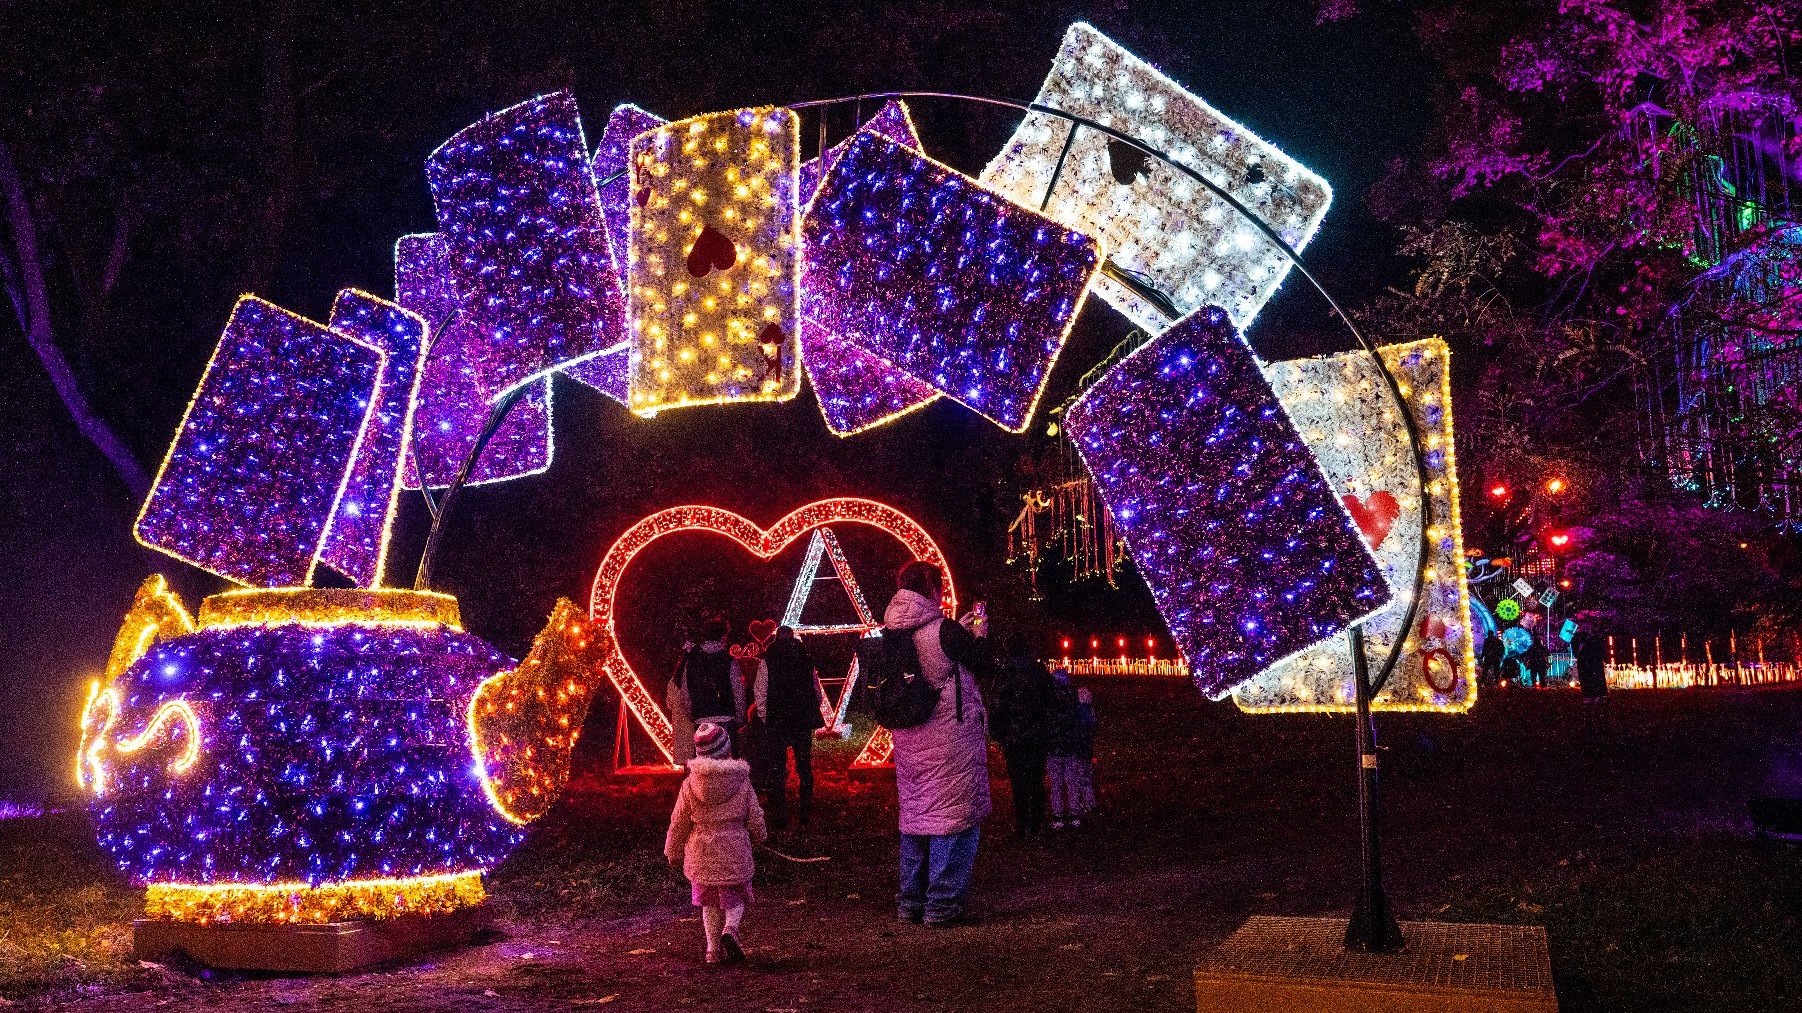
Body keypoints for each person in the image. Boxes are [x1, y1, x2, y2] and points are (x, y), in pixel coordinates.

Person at [885, 561, 991, 927]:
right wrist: (976, 635)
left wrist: (957, 633)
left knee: (916, 818)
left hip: (910, 736)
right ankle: (942, 904)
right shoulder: (943, 630)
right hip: (950, 738)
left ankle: (910, 901)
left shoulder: (892, 631)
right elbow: (980, 662)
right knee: (953, 818)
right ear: (930, 589)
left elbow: (933, 656)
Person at [664, 722, 767, 965]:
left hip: (702, 851)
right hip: (734, 847)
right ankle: (731, 929)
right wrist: (760, 835)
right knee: (736, 896)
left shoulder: (690, 784)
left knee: (709, 903)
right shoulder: (741, 780)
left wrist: (672, 850)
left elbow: (678, 821)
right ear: (726, 750)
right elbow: (754, 813)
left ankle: (712, 950)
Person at [753, 625, 826, 829]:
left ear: (776, 638)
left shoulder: (768, 660)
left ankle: (780, 814)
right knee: (804, 767)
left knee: (778, 768)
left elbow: (760, 691)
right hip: (801, 720)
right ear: (793, 637)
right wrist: (808, 709)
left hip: (778, 720)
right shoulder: (805, 658)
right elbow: (816, 691)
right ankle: (804, 812)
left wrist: (766, 716)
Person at [990, 632, 1052, 837]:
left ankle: (1022, 824)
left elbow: (997, 704)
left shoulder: (1005, 674)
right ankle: (1035, 823)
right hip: (1036, 733)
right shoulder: (1038, 671)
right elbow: (1050, 700)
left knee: (1018, 781)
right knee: (1035, 778)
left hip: (1013, 735)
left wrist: (996, 730)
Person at [675, 618, 743, 757]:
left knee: (704, 771)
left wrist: (694, 714)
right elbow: (738, 693)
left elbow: (685, 694)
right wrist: (739, 716)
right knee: (729, 770)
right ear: (723, 636)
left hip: (702, 721)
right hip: (726, 719)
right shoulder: (729, 661)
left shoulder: (692, 661)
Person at [1045, 669, 1089, 829]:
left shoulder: (1048, 699)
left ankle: (1058, 816)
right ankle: (1074, 814)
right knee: (1071, 782)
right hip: (1070, 747)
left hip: (1054, 748)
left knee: (1056, 785)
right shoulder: (1073, 698)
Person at [1575, 630, 1608, 699]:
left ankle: (1591, 695)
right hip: (1592, 662)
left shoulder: (1582, 641)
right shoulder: (1595, 640)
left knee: (1589, 679)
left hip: (1588, 662)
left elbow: (1576, 653)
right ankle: (1596, 695)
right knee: (1594, 678)